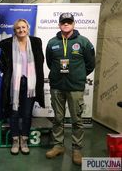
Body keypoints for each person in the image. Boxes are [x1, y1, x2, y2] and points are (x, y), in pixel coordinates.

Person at [45, 13, 95, 165]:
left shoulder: (83, 42)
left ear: (73, 24)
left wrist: (77, 75)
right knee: (58, 118)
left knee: (77, 120)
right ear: (59, 24)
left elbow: (90, 64)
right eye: (63, 22)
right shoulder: (52, 42)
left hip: (75, 87)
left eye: (69, 22)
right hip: (57, 86)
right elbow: (49, 62)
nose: (66, 24)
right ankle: (58, 146)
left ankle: (77, 149)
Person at [0, 19, 45, 155]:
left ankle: (24, 140)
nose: (21, 30)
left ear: (27, 28)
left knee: (26, 114)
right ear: (15, 30)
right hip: (15, 85)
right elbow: (2, 64)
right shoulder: (7, 45)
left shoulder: (36, 43)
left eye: (23, 27)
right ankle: (15, 140)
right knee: (14, 113)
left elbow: (40, 62)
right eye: (18, 28)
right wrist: (11, 75)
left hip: (30, 84)